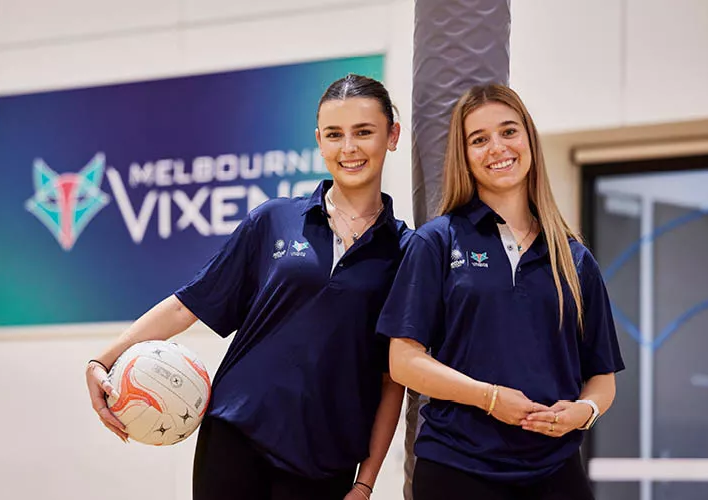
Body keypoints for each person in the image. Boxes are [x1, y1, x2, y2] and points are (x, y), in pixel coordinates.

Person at [85, 74, 410, 500]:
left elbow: (392, 379)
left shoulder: (406, 250)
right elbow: (188, 304)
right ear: (319, 141)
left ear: (392, 135)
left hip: (325, 460)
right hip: (235, 435)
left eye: (363, 132)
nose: (348, 147)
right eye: (334, 134)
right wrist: (102, 359)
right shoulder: (273, 219)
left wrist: (365, 483)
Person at [377, 84, 625, 500]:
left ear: (529, 139)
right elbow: (403, 361)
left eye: (508, 131)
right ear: (464, 155)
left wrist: (585, 411)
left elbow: (602, 377)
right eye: (479, 139)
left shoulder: (574, 258)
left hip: (555, 469)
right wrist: (489, 398)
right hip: (457, 468)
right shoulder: (436, 242)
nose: (497, 147)